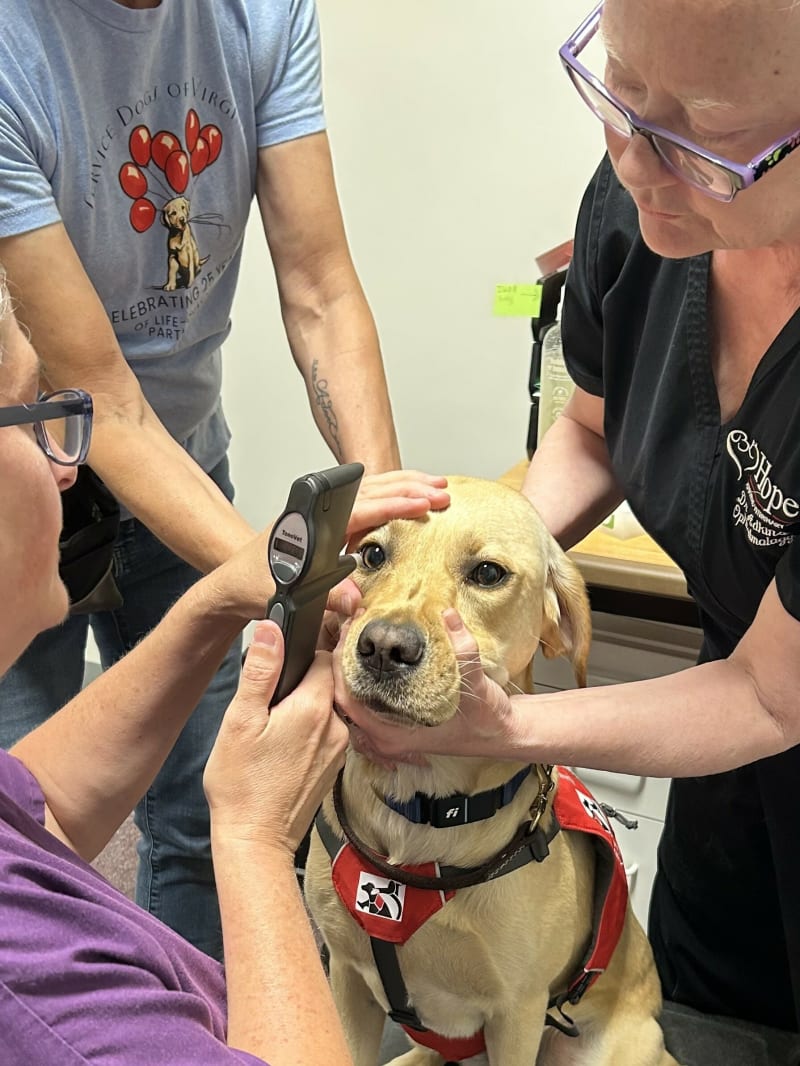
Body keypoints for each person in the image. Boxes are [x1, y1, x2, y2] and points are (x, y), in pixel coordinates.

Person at [333, 0, 800, 1046]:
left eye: (700, 133)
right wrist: (464, 569)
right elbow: (590, 432)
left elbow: (774, 695)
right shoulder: (643, 216)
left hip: (770, 695)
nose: (633, 161)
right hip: (729, 728)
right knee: (696, 1010)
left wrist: (501, 727)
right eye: (620, 89)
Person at [0, 0, 401, 958]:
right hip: (31, 477)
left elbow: (320, 286)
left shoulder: (263, 11)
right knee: (27, 837)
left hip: (186, 457)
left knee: (214, 807)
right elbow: (103, 399)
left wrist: (384, 540)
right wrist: (298, 577)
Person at [0, 281, 449, 1064]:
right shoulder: (46, 999)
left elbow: (38, 815)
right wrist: (255, 839)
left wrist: (209, 605)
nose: (67, 467)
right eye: (31, 416)